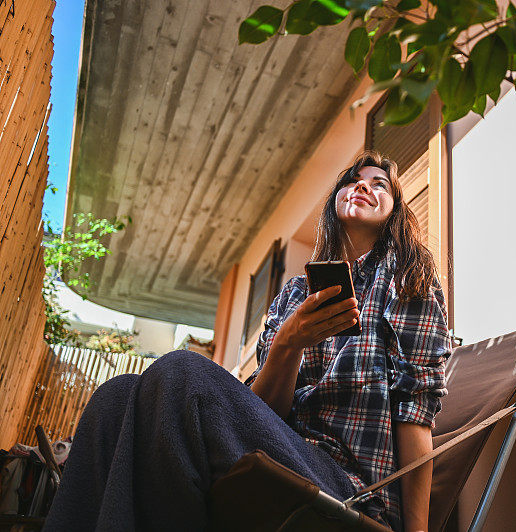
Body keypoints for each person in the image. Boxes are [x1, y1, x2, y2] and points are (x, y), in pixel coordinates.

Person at [44, 151, 452, 532]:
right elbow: (266, 410)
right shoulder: (295, 294)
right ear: (335, 201)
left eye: (380, 184)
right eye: (352, 180)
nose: (363, 186)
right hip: (279, 449)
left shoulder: (407, 281)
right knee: (115, 396)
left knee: (182, 373)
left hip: (348, 485)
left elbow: (414, 415)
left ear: (396, 210)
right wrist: (289, 343)